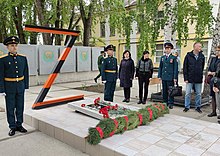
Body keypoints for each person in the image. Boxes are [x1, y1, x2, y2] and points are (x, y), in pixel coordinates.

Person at [0, 36, 29, 136]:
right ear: (7, 47)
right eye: (12, 45)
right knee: (10, 107)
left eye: (16, 45)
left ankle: (19, 124)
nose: (14, 47)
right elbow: (1, 76)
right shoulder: (3, 59)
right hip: (9, 87)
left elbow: (25, 73)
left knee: (20, 107)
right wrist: (2, 89)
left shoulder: (23, 58)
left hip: (20, 86)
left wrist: (26, 86)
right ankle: (12, 126)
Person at [183, 42, 205, 113]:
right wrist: (185, 78)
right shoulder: (188, 56)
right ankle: (187, 106)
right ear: (195, 47)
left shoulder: (202, 56)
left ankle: (198, 107)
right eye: (199, 46)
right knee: (188, 93)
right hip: (189, 78)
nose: (200, 48)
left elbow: (202, 67)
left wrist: (201, 75)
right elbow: (185, 68)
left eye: (201, 47)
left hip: (198, 78)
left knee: (198, 93)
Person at [158, 42, 178, 109]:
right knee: (164, 90)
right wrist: (159, 76)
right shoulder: (162, 57)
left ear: (171, 49)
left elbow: (175, 68)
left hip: (170, 77)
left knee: (170, 91)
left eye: (168, 48)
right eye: (166, 48)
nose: (167, 50)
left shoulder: (174, 58)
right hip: (164, 76)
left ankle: (171, 103)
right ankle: (165, 102)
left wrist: (175, 77)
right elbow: (160, 67)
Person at [207, 45, 220, 117]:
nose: (216, 52)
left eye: (218, 50)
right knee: (213, 96)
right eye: (216, 50)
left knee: (218, 96)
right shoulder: (213, 59)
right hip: (212, 80)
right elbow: (210, 67)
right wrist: (210, 72)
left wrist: (213, 73)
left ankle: (219, 112)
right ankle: (213, 111)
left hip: (218, 80)